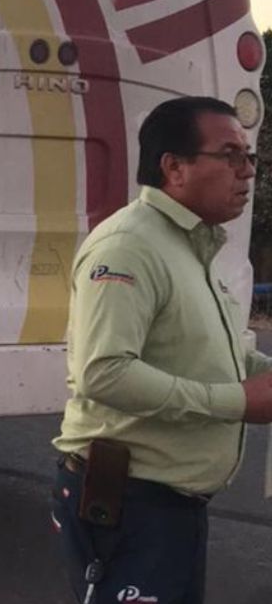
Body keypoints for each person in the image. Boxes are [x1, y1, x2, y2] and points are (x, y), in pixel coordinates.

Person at [51, 96, 272, 604]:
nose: (247, 172)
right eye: (230, 156)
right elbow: (104, 373)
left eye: (249, 157)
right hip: (132, 502)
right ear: (174, 167)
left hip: (172, 506)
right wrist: (238, 401)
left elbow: (218, 351)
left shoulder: (193, 245)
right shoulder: (129, 247)